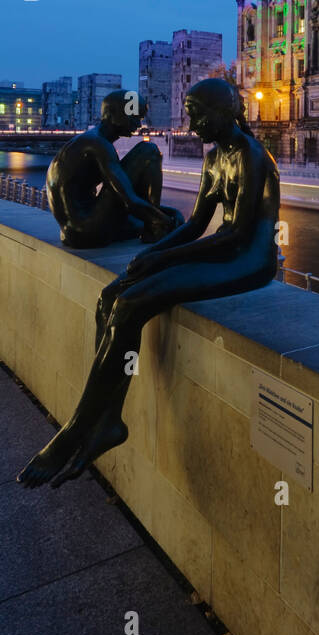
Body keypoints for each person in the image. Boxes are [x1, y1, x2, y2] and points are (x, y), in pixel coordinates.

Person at [18, 79, 280, 490]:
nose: (191, 125)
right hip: (227, 251)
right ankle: (106, 417)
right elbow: (195, 224)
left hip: (250, 260)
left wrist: (161, 256)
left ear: (222, 111)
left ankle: (79, 427)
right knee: (111, 296)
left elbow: (236, 235)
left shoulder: (250, 154)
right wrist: (150, 254)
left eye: (197, 115)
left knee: (132, 302)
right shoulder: (214, 159)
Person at [46, 90, 181, 247]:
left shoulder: (89, 140)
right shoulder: (99, 146)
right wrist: (165, 222)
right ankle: (155, 229)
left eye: (140, 119)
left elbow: (126, 199)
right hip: (88, 230)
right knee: (149, 150)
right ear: (112, 113)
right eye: (134, 117)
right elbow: (129, 200)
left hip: (72, 232)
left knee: (140, 221)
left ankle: (155, 222)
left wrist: (169, 213)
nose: (138, 125)